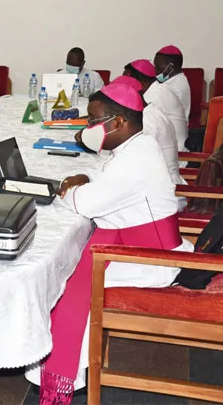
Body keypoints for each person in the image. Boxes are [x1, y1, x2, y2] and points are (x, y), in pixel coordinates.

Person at [29, 81, 193, 404]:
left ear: (118, 122)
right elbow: (108, 182)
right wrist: (85, 180)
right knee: (67, 265)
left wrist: (66, 190)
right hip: (137, 244)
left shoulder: (137, 158)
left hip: (149, 261)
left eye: (93, 120)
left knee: (60, 285)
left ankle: (60, 378)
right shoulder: (136, 146)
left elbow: (84, 205)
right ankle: (59, 369)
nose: (88, 127)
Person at [122, 58, 187, 151]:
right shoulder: (157, 89)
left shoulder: (155, 96)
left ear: (141, 83)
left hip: (177, 154)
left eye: (127, 82)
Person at [154, 45, 191, 121]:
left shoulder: (174, 87)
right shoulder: (178, 79)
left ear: (170, 67)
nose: (156, 71)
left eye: (158, 67)